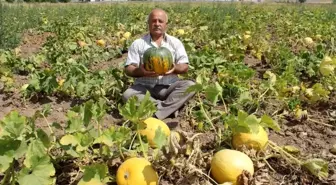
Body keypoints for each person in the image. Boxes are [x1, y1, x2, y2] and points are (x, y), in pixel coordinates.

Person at [122, 8, 195, 120]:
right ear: (148, 24)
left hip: (169, 86)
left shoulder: (175, 43)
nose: (157, 24)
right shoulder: (138, 44)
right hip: (144, 88)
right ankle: (168, 109)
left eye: (160, 21)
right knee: (128, 95)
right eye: (153, 21)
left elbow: (184, 66)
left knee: (191, 86)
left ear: (166, 24)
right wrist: (140, 71)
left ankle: (155, 111)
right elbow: (128, 68)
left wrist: (174, 68)